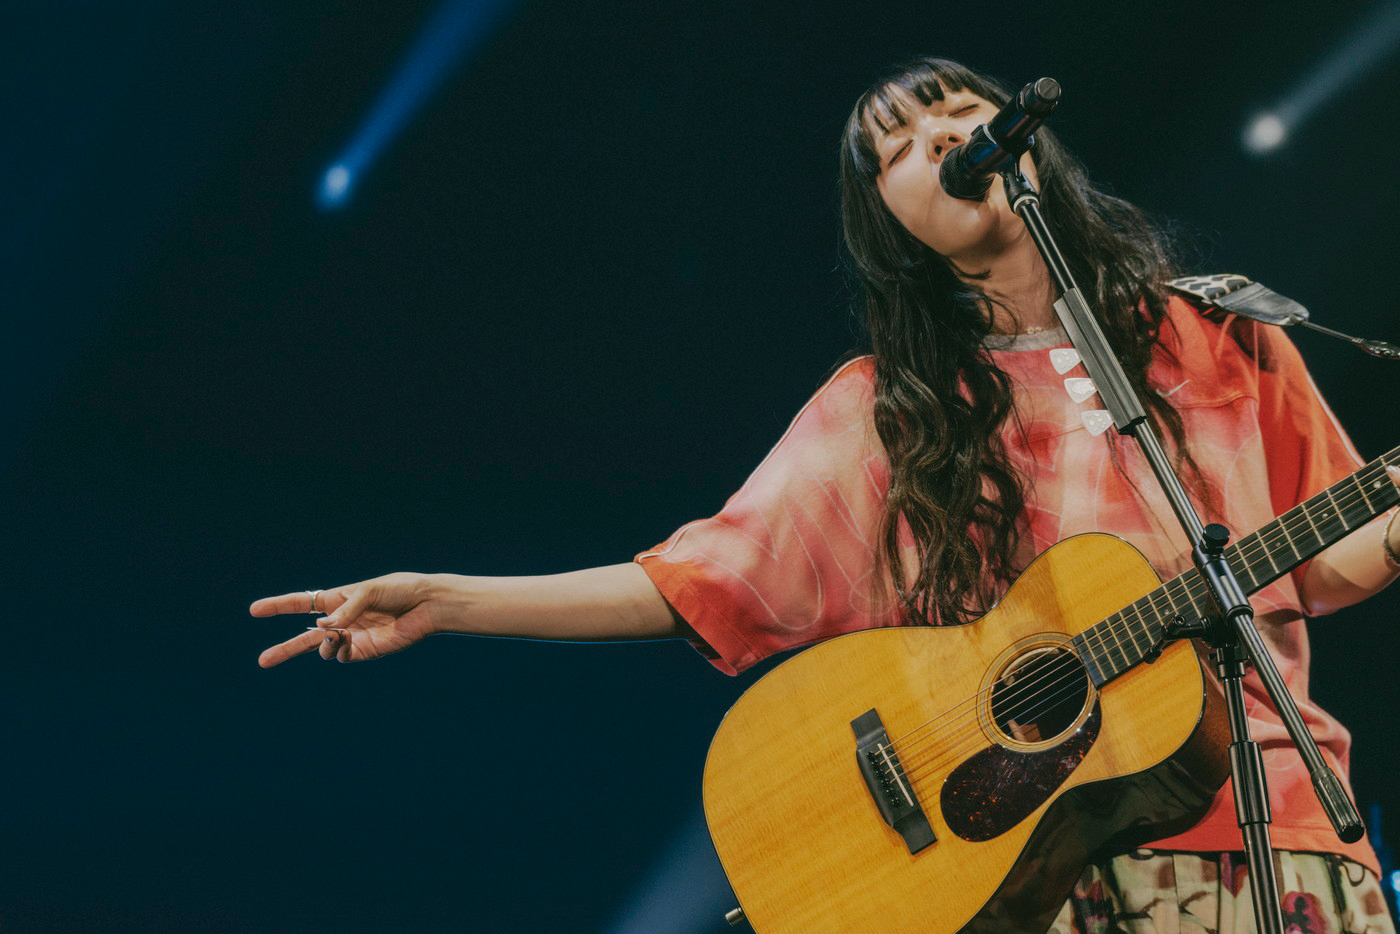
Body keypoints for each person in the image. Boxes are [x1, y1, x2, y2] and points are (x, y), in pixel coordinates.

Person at [252, 58, 1399, 933]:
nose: (941, 138)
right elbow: (697, 583)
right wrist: (450, 597)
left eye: (959, 114)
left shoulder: (1222, 333)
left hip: (1286, 830)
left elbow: (1320, 559)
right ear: (888, 217)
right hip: (1028, 867)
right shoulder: (888, 409)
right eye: (898, 146)